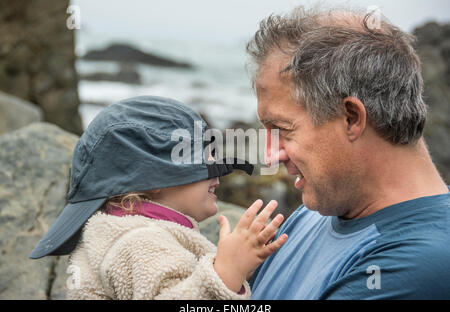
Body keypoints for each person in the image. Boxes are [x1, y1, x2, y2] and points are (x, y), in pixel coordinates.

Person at [247, 6, 450, 299]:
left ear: (351, 118)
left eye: (282, 129)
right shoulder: (315, 213)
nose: (271, 155)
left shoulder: (416, 264)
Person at [29, 95, 288, 299]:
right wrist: (228, 272)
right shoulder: (141, 242)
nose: (218, 176)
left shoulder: (124, 232)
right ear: (153, 180)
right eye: (206, 164)